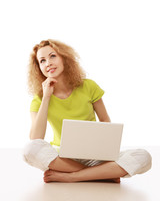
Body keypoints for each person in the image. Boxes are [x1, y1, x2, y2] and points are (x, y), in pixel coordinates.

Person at [23, 39, 152, 183]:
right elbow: (36, 138)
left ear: (64, 57)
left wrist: (104, 152)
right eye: (42, 61)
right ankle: (103, 174)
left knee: (143, 156)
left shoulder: (88, 86)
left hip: (95, 156)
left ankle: (74, 176)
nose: (48, 63)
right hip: (63, 159)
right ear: (38, 67)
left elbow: (105, 121)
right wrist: (46, 97)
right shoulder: (39, 98)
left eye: (53, 56)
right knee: (30, 149)